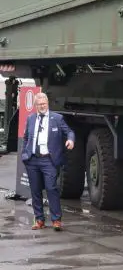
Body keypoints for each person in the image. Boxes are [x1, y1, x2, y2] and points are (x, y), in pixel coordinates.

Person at [21, 92, 75, 231]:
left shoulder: (57, 118)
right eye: (39, 104)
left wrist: (70, 140)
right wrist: (25, 154)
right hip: (32, 159)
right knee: (35, 191)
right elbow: (26, 137)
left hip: (49, 160)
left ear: (48, 103)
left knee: (51, 188)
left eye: (44, 104)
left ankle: (56, 220)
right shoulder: (31, 118)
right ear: (35, 105)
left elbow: (69, 132)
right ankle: (39, 220)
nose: (42, 106)